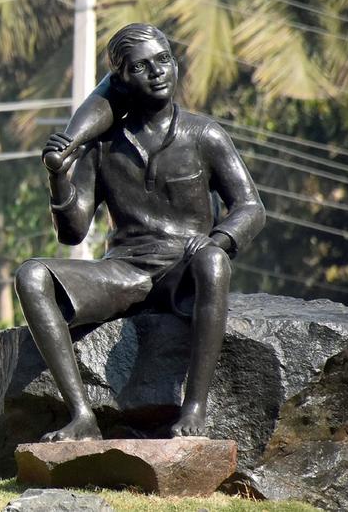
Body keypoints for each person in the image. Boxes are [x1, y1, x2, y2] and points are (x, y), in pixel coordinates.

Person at [16, 23, 265, 441]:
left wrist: (218, 241)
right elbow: (73, 233)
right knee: (31, 275)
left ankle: (195, 407)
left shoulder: (204, 134)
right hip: (125, 270)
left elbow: (250, 206)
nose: (158, 72)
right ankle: (82, 417)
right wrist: (59, 178)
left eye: (164, 60)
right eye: (142, 66)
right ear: (122, 79)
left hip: (185, 266)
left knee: (213, 261)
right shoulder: (102, 145)